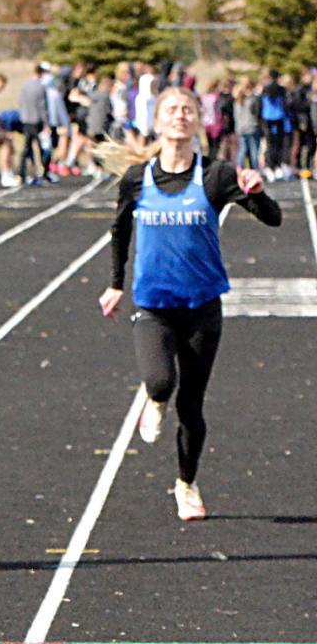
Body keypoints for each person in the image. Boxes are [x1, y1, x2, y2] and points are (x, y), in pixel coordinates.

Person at [97, 86, 282, 521]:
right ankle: (154, 399)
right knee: (161, 382)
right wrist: (114, 284)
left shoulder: (216, 174)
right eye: (171, 110)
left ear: (198, 121)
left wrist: (255, 192)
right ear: (158, 123)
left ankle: (186, 483)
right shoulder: (138, 178)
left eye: (188, 110)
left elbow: (273, 218)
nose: (180, 116)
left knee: (192, 407)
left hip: (202, 306)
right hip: (154, 305)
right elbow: (119, 230)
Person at [18, 62, 51, 185]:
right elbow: (42, 106)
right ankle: (45, 172)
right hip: (37, 121)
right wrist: (46, 123)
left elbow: (21, 102)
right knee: (42, 148)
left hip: (26, 120)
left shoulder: (25, 85)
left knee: (26, 149)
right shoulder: (40, 87)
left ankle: (21, 172)